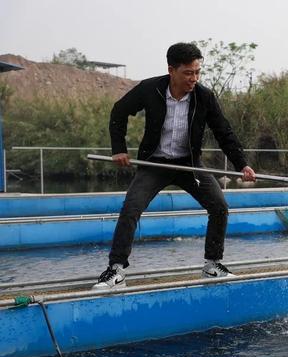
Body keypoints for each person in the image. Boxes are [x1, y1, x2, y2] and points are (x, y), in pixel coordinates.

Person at [94, 42, 256, 289]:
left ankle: (212, 264)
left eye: (197, 72)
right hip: (154, 163)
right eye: (188, 73)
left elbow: (224, 132)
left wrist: (242, 164)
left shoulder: (204, 97)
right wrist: (119, 149)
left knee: (220, 206)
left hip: (188, 165)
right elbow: (119, 111)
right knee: (131, 208)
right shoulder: (150, 89)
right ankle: (116, 270)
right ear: (171, 70)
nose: (194, 78)